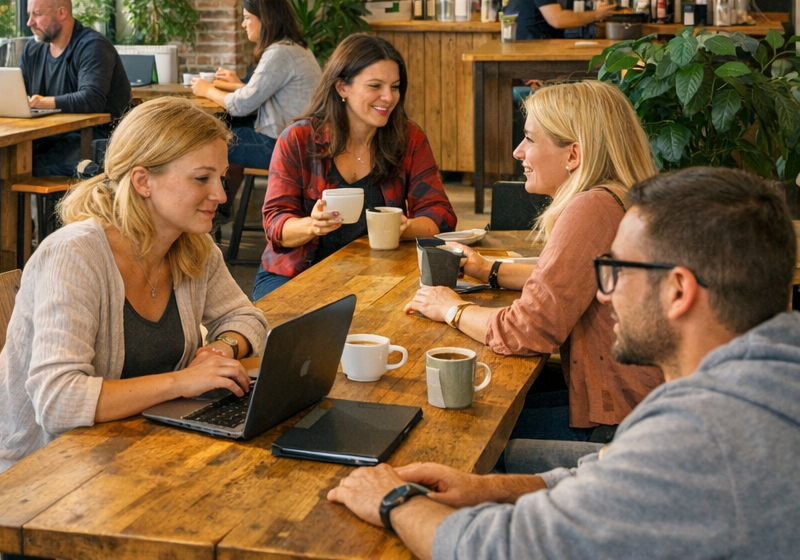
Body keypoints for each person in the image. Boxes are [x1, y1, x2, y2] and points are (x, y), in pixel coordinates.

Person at [327, 166, 800, 560]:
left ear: (678, 291)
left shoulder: (704, 434)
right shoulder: (768, 374)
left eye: (617, 271)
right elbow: (616, 470)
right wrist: (486, 489)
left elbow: (498, 549)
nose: (602, 293)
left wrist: (392, 500)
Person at [0, 97, 268, 484]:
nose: (221, 195)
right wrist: (183, 382)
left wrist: (217, 351)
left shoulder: (191, 245)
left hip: (128, 453)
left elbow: (247, 318)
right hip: (36, 476)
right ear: (143, 180)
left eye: (221, 177)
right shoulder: (75, 254)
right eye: (202, 179)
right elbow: (58, 401)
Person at [403, 81, 662, 446]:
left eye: (529, 139)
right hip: (632, 404)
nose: (517, 151)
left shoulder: (592, 208)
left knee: (458, 434)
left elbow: (526, 332)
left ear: (573, 155)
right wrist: (488, 270)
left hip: (618, 423)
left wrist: (452, 309)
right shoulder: (619, 195)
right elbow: (567, 279)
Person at [255, 33, 455, 301]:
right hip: (296, 273)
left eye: (395, 87)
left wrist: (405, 228)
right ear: (341, 87)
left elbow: (441, 214)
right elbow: (276, 224)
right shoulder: (299, 139)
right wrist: (312, 225)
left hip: (379, 273)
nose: (388, 97)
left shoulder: (408, 139)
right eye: (375, 86)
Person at [190, 0, 321, 170]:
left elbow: (241, 106)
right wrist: (240, 85)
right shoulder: (295, 48)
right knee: (226, 131)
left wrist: (206, 89)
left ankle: (220, 198)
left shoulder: (279, 52)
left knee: (210, 143)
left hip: (283, 146)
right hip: (299, 141)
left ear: (265, 20)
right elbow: (269, 93)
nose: (243, 24)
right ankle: (227, 198)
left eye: (247, 18)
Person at [19, 0, 132, 175]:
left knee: (19, 166)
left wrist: (42, 102)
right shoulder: (33, 49)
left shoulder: (92, 46)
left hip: (98, 139)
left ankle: (6, 203)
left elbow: (91, 99)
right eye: (29, 15)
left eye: (37, 14)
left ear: (62, 13)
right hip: (50, 135)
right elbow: (18, 92)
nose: (30, 22)